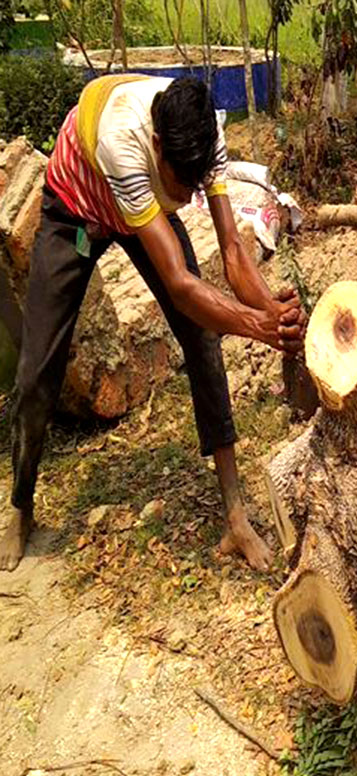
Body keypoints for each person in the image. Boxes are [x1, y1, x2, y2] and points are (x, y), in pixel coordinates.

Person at [0, 75, 306, 573]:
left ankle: (235, 515)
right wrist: (261, 326)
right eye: (181, 183)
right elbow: (181, 285)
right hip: (78, 209)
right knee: (37, 369)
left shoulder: (204, 136)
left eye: (195, 183)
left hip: (141, 209)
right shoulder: (123, 140)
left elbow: (231, 248)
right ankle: (20, 506)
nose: (188, 198)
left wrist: (270, 311)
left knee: (203, 340)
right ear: (157, 145)